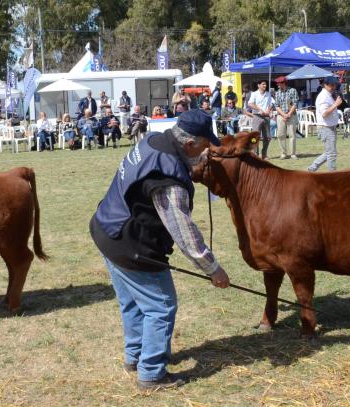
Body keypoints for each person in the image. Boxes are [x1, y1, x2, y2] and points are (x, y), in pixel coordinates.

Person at [90, 109, 230, 390]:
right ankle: (152, 372)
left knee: (132, 302)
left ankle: (135, 356)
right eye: (204, 146)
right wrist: (214, 269)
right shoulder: (169, 180)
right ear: (189, 144)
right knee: (161, 306)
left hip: (105, 228)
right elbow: (185, 235)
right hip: (130, 245)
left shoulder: (153, 140)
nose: (206, 152)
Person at [308, 76, 342, 172]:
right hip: (326, 128)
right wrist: (335, 104)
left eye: (335, 85)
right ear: (325, 85)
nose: (334, 87)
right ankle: (332, 174)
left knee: (329, 152)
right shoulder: (323, 96)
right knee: (331, 154)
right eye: (331, 85)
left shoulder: (328, 95)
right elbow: (324, 113)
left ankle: (312, 168)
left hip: (329, 127)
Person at [246, 80, 274, 159]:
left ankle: (264, 154)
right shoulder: (254, 94)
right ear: (259, 85)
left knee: (268, 137)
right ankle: (255, 154)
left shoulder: (268, 94)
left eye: (265, 84)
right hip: (257, 116)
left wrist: (270, 110)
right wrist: (259, 109)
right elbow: (250, 103)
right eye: (263, 84)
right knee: (255, 136)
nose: (265, 85)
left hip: (266, 117)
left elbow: (271, 104)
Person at [274, 76, 298, 159]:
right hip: (281, 116)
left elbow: (295, 104)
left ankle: (293, 154)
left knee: (292, 135)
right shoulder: (277, 93)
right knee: (280, 135)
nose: (277, 85)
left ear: (283, 83)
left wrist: (289, 114)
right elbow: (276, 106)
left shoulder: (293, 90)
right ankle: (283, 153)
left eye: (278, 83)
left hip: (291, 115)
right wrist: (284, 115)